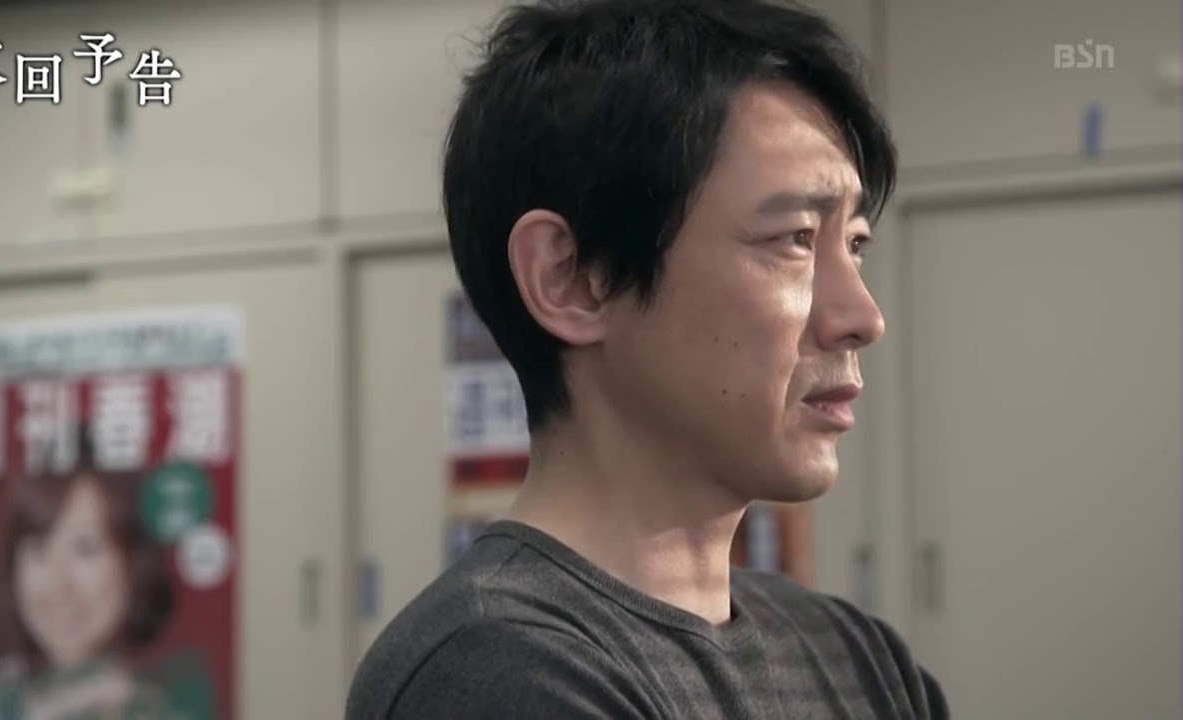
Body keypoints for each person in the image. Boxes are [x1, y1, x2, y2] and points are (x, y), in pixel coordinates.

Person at [348, 0, 949, 718]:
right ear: (571, 279)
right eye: (794, 239)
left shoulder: (857, 657)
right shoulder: (497, 672)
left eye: (853, 244)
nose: (862, 318)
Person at [0, 432, 181, 720]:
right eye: (39, 549)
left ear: (135, 562)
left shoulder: (175, 708)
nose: (59, 586)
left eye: (85, 549)